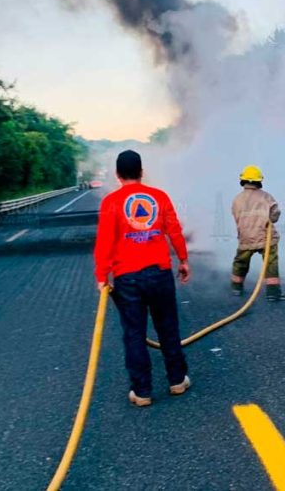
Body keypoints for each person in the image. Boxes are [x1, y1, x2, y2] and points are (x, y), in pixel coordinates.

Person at [94, 150, 191, 407]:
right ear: (141, 171)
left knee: (134, 334)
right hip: (159, 273)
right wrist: (183, 260)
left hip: (127, 278)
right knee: (168, 328)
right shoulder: (159, 197)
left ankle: (142, 392)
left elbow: (104, 242)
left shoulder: (111, 202)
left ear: (117, 175)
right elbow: (175, 230)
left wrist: (102, 276)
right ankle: (177, 381)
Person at [231, 165, 285, 302]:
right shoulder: (266, 197)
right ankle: (273, 293)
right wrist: (270, 219)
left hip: (245, 237)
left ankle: (236, 287)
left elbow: (235, 216)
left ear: (243, 181)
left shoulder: (237, 199)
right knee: (271, 263)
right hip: (266, 237)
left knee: (240, 262)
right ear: (259, 181)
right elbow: (275, 213)